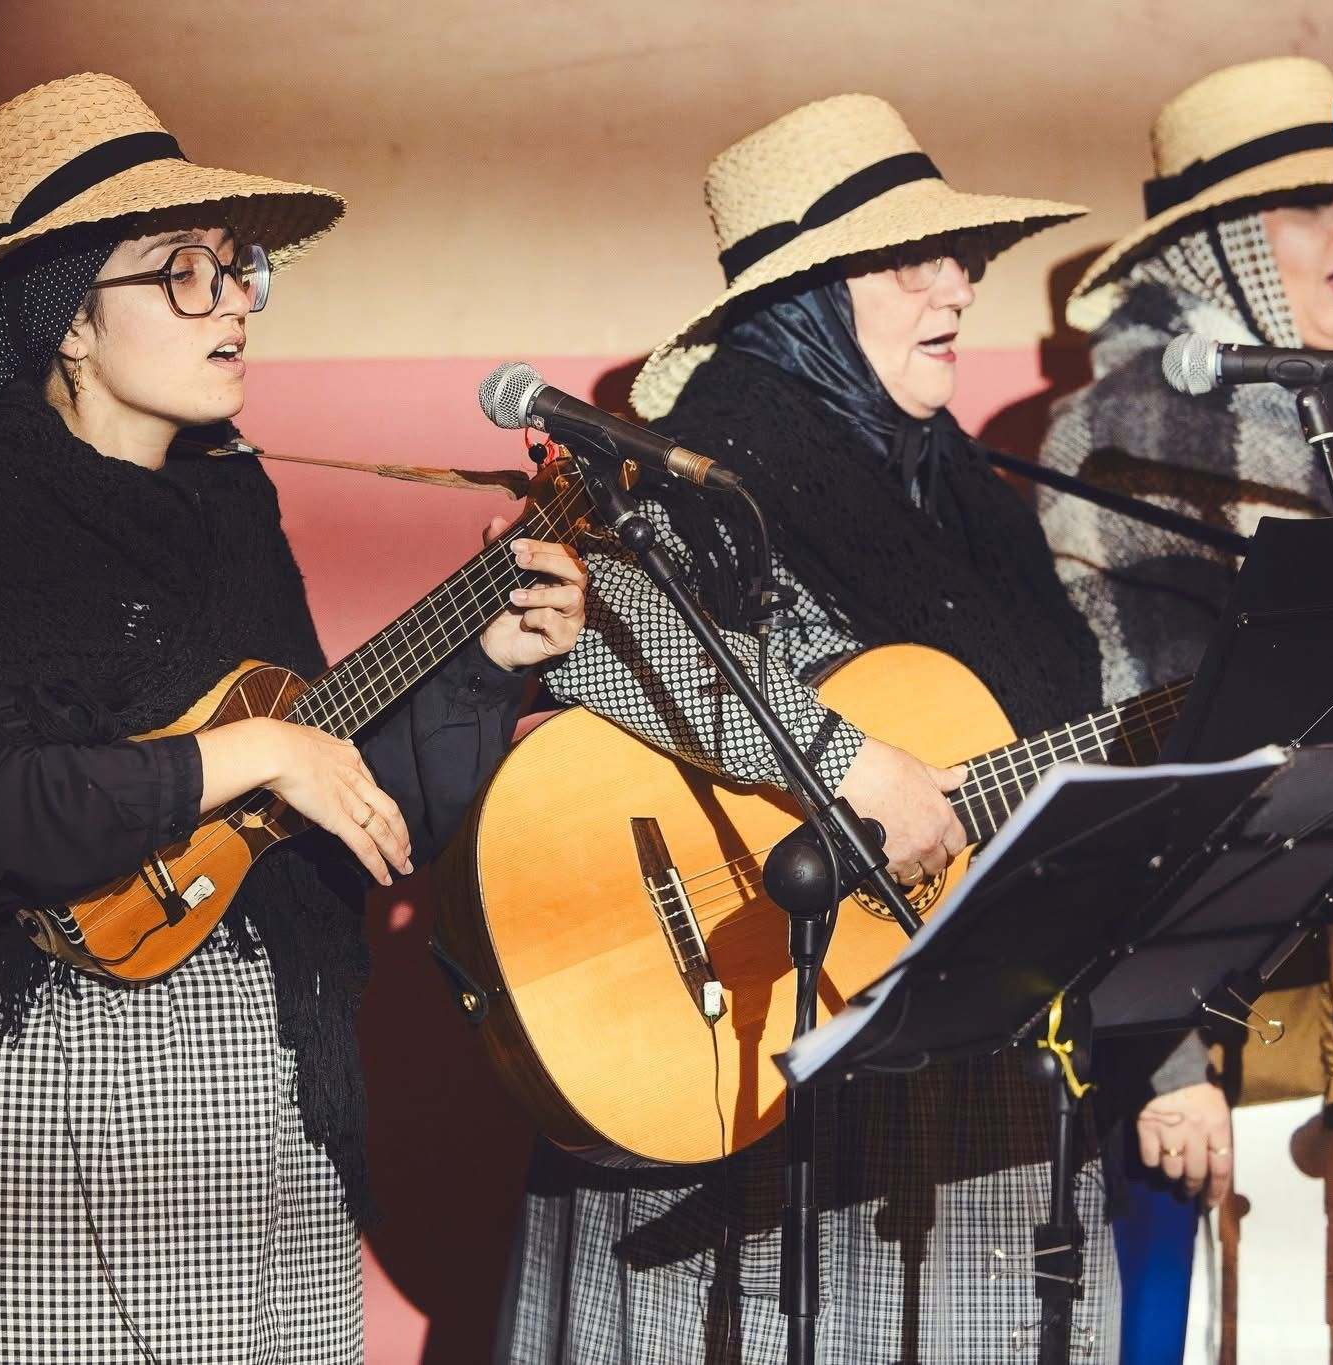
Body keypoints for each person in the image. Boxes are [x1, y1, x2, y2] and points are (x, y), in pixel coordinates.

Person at [0, 73, 587, 1362]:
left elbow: (333, 798)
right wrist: (250, 749)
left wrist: (483, 664)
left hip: (244, 1090)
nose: (231, 304)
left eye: (236, 270)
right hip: (37, 1097)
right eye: (183, 272)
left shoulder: (233, 503)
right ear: (70, 320)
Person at [499, 93, 1220, 1365]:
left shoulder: (964, 490)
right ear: (805, 300)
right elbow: (592, 623)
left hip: (961, 1061)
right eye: (907, 263)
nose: (957, 286)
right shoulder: (700, 459)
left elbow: (1052, 759)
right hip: (750, 1055)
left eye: (962, 258)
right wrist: (840, 761)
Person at [1037, 55, 1333, 1364]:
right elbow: (1138, 770)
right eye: (1314, 201)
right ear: (1220, 245)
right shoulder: (1123, 433)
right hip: (1236, 1017)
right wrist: (1163, 1060)